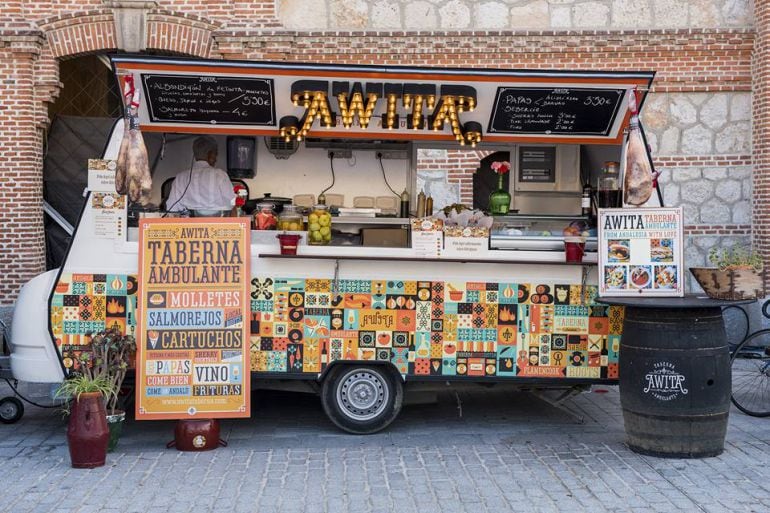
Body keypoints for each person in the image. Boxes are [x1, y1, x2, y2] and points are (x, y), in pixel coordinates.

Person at [165, 136, 235, 213]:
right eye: (216, 154)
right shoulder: (220, 175)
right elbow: (233, 202)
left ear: (194, 155)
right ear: (210, 154)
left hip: (187, 220)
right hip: (217, 220)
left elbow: (172, 208)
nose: (216, 159)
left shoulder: (180, 178)